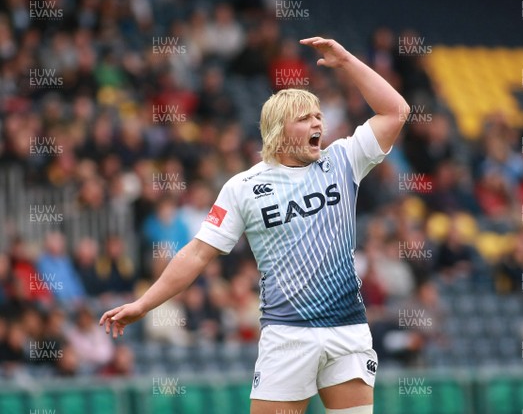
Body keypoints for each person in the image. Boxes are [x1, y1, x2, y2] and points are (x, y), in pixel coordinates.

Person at [100, 36, 409, 414]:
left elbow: (396, 111)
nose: (317, 123)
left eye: (318, 116)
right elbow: (197, 254)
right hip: (288, 336)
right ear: (279, 131)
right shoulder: (243, 187)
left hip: (348, 330)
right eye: (304, 118)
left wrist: (347, 60)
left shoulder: (343, 160)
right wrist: (144, 304)